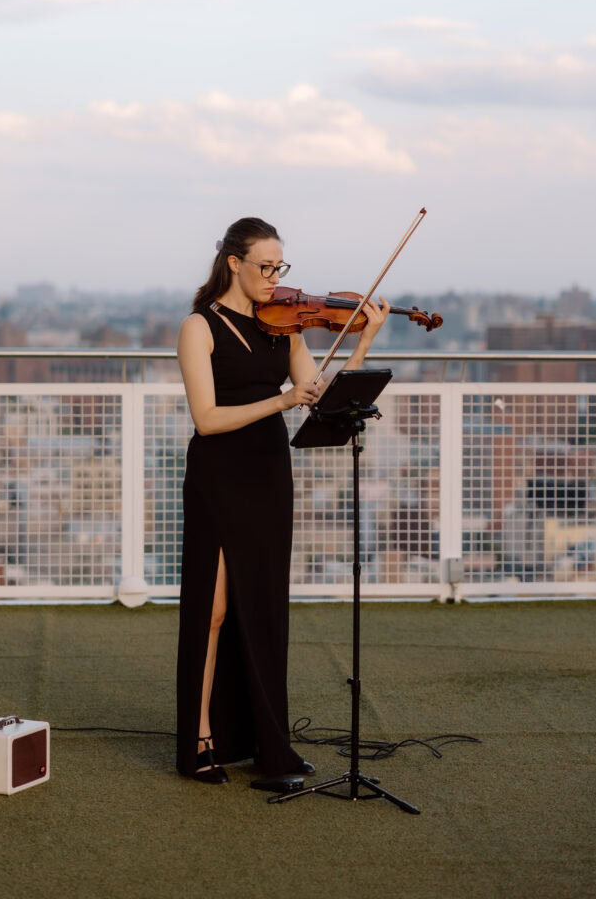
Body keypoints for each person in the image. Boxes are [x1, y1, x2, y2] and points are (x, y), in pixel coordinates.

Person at [175, 217, 389, 784]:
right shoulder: (198, 328)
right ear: (234, 264)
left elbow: (318, 401)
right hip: (220, 474)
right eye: (265, 267)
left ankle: (268, 743)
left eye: (280, 268)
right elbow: (207, 419)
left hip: (270, 471)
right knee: (216, 611)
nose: (275, 278)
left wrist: (363, 342)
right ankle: (199, 739)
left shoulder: (284, 326)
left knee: (265, 609)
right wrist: (283, 400)